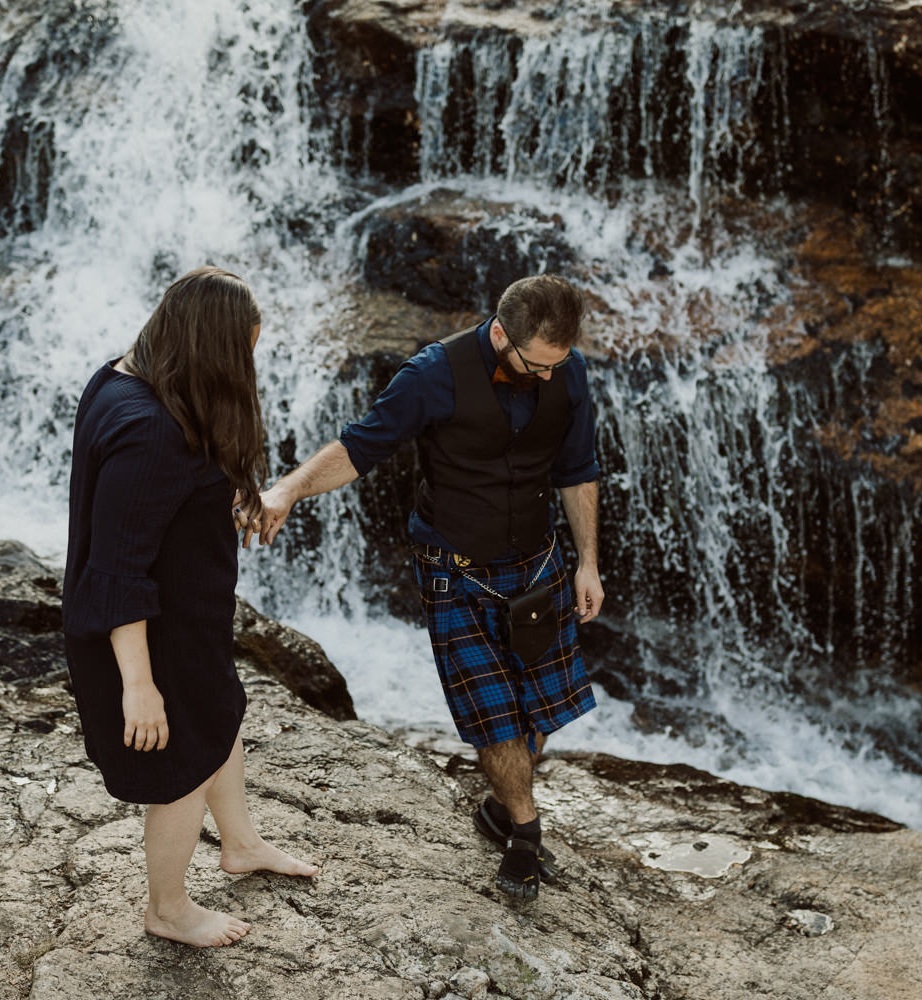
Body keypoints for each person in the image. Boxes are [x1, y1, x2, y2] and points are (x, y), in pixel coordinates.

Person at [245, 274, 602, 901]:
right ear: (499, 334)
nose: (549, 377)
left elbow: (576, 473)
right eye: (537, 365)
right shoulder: (432, 374)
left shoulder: (565, 372)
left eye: (559, 364)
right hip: (453, 568)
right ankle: (523, 830)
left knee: (539, 708)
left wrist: (587, 563)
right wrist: (287, 489)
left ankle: (500, 804)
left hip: (539, 564)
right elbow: (359, 448)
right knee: (494, 717)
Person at [61, 267, 317, 948]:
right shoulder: (150, 432)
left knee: (219, 715)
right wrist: (139, 687)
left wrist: (232, 493)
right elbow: (119, 569)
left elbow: (153, 500)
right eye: (243, 354)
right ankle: (168, 910)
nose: (248, 369)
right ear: (210, 350)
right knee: (179, 767)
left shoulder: (128, 379)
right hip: (147, 637)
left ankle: (239, 842)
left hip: (187, 621)